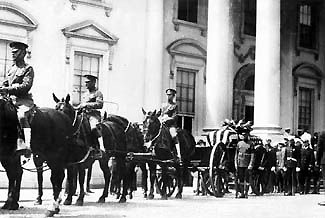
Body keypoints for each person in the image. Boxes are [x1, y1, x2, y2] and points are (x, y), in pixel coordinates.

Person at [0, 41, 34, 156]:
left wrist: (8, 89)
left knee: (21, 116)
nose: (13, 54)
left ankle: (27, 146)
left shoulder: (28, 69)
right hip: (9, 100)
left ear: (23, 53)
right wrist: (2, 88)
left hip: (22, 100)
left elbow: (26, 86)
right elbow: (4, 83)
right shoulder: (11, 69)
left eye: (16, 52)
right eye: (12, 52)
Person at [76, 74, 104, 159]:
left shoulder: (97, 93)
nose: (86, 84)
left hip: (93, 115)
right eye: (85, 82)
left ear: (93, 82)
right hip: (83, 115)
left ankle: (97, 149)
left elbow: (100, 104)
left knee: (93, 128)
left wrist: (87, 105)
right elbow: (81, 105)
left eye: (88, 82)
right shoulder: (85, 94)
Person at [160, 88, 180, 160]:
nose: (168, 96)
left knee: (174, 135)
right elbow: (160, 114)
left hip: (171, 125)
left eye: (170, 95)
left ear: (173, 96)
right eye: (167, 95)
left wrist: (168, 118)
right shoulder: (163, 105)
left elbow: (175, 117)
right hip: (163, 125)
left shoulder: (174, 106)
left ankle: (178, 153)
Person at [234, 133, 254, 198]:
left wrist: (251, 164)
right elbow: (236, 154)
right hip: (240, 164)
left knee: (247, 179)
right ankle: (242, 193)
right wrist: (236, 163)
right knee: (241, 179)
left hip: (247, 164)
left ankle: (246, 193)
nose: (244, 136)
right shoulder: (239, 143)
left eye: (245, 135)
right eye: (243, 135)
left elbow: (252, 155)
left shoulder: (251, 143)